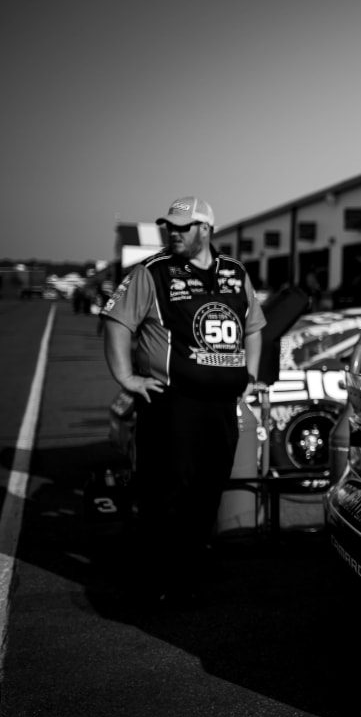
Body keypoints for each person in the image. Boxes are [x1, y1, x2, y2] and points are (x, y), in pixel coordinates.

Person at [101, 195, 267, 606]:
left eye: (183, 227)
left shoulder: (235, 273)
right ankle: (158, 577)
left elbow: (254, 326)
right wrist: (126, 377)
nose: (173, 233)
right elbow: (117, 322)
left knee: (209, 489)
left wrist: (250, 374)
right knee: (167, 493)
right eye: (170, 227)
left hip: (222, 405)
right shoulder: (152, 272)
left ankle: (190, 566)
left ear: (206, 229)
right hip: (171, 403)